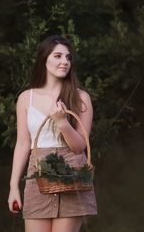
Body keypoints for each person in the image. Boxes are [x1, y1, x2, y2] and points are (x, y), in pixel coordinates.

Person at [8, 35, 97, 232]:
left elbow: (79, 147)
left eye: (68, 57)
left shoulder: (81, 98)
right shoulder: (26, 98)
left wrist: (62, 123)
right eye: (58, 56)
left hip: (71, 176)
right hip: (37, 177)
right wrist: (14, 186)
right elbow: (23, 144)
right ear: (44, 59)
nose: (64, 61)